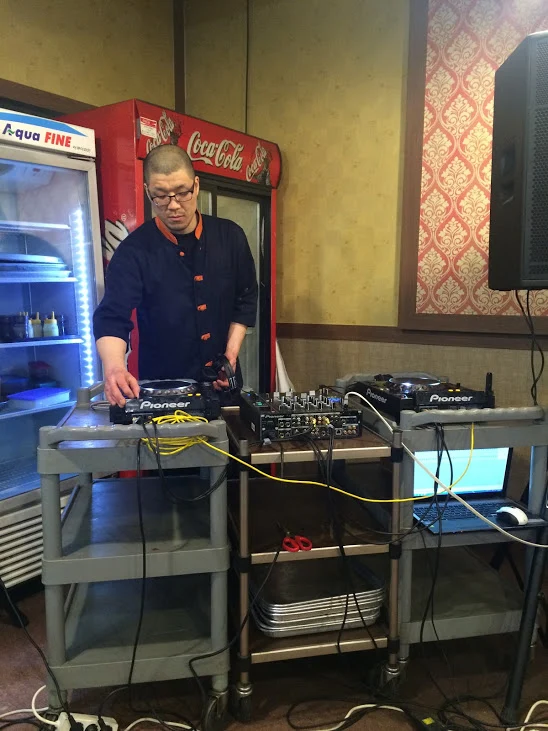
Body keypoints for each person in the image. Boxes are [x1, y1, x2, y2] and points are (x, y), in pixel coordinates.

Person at [93, 144, 258, 407]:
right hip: (161, 391)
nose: (173, 205)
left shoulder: (230, 236)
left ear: (196, 185)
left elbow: (246, 298)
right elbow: (112, 316)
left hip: (223, 383)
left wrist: (231, 355)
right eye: (160, 196)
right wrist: (114, 367)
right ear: (148, 191)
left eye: (182, 193)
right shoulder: (134, 250)